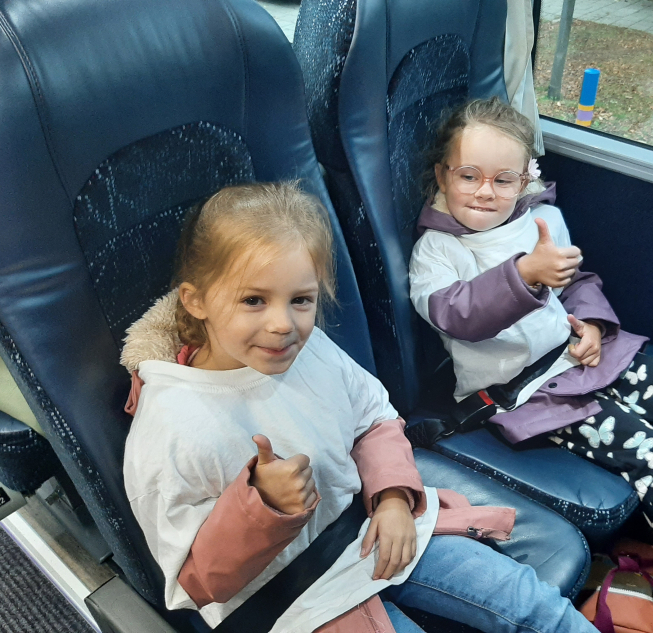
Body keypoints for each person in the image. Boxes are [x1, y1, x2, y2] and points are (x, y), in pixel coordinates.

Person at [120, 182, 596, 633]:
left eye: (300, 300)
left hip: (370, 528)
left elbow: (373, 419)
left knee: (532, 604)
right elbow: (195, 582)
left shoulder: (311, 350)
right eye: (253, 300)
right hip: (293, 599)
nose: (282, 324)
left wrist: (392, 498)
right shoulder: (172, 426)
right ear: (196, 301)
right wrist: (263, 507)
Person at [408, 97, 653, 632]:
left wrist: (591, 326)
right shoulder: (437, 251)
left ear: (524, 180)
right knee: (651, 452)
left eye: (503, 180)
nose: (484, 192)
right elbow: (456, 315)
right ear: (442, 175)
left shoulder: (540, 220)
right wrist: (524, 274)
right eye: (468, 175)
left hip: (580, 355)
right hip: (527, 393)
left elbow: (577, 284)